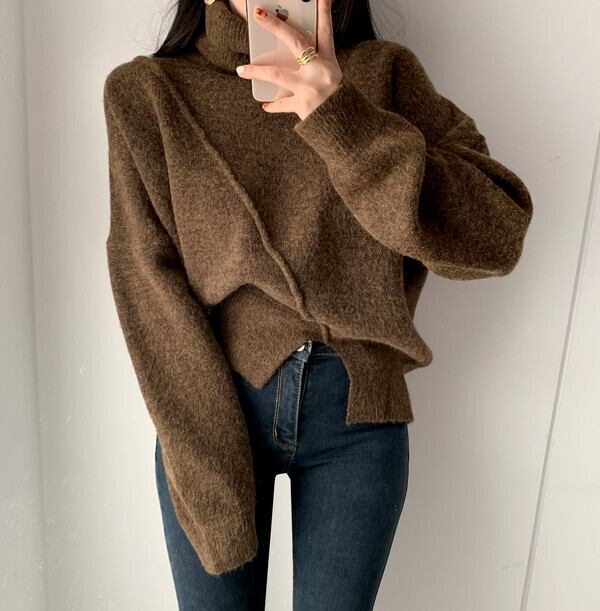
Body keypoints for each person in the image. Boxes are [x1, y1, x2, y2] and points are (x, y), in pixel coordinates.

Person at [102, 0, 533, 609]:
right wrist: (207, 461)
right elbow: (146, 283)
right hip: (213, 409)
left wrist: (341, 116)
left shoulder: (384, 74)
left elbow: (497, 235)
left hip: (358, 416)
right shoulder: (148, 92)